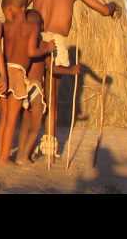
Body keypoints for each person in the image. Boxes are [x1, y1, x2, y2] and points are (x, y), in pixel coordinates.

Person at [26, 0, 121, 157]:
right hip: (56, 44)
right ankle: (49, 146)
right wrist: (113, 6)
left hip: (34, 42)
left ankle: (28, 145)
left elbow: (16, 6)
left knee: (32, 93)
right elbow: (104, 10)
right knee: (51, 98)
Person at [0, 0, 55, 167]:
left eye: (7, 9)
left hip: (4, 72)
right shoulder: (31, 27)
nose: (7, 13)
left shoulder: (5, 27)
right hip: (17, 73)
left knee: (4, 119)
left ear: (15, 8)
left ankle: (1, 155)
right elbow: (31, 52)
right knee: (12, 120)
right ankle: (3, 160)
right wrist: (47, 49)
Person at [15, 9, 80, 165]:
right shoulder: (44, 46)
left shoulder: (20, 44)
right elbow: (52, 69)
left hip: (22, 87)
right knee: (36, 124)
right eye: (38, 24)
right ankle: (23, 156)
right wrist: (71, 70)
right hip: (35, 87)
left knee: (26, 122)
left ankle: (21, 154)